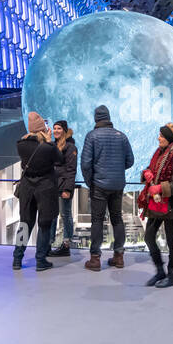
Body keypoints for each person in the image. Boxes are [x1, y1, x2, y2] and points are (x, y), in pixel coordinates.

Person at [80, 104, 134, 271]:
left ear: (96, 119)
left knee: (97, 220)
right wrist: (116, 171)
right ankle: (119, 256)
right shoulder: (122, 137)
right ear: (109, 118)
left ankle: (95, 259)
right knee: (117, 219)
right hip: (117, 185)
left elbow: (85, 164)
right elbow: (130, 161)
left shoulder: (92, 136)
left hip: (99, 185)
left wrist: (90, 182)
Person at [138, 124, 173, 288]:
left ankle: (172, 275)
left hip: (171, 205)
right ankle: (160, 271)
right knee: (148, 237)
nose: (158, 138)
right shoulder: (159, 153)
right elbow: (152, 169)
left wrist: (161, 187)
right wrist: (146, 173)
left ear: (168, 138)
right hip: (156, 204)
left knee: (172, 241)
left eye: (161, 135)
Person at [12, 111, 62, 272]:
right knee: (44, 224)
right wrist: (50, 140)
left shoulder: (20, 144)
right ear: (42, 128)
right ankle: (40, 260)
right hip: (45, 187)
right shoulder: (47, 147)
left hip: (27, 187)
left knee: (24, 224)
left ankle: (17, 259)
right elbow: (59, 159)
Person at [48, 119, 78, 257]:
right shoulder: (53, 145)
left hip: (64, 186)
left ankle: (66, 245)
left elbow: (71, 170)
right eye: (54, 128)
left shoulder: (70, 147)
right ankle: (49, 242)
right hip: (53, 185)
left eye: (59, 128)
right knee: (52, 214)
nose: (56, 131)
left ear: (64, 130)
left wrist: (67, 189)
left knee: (66, 214)